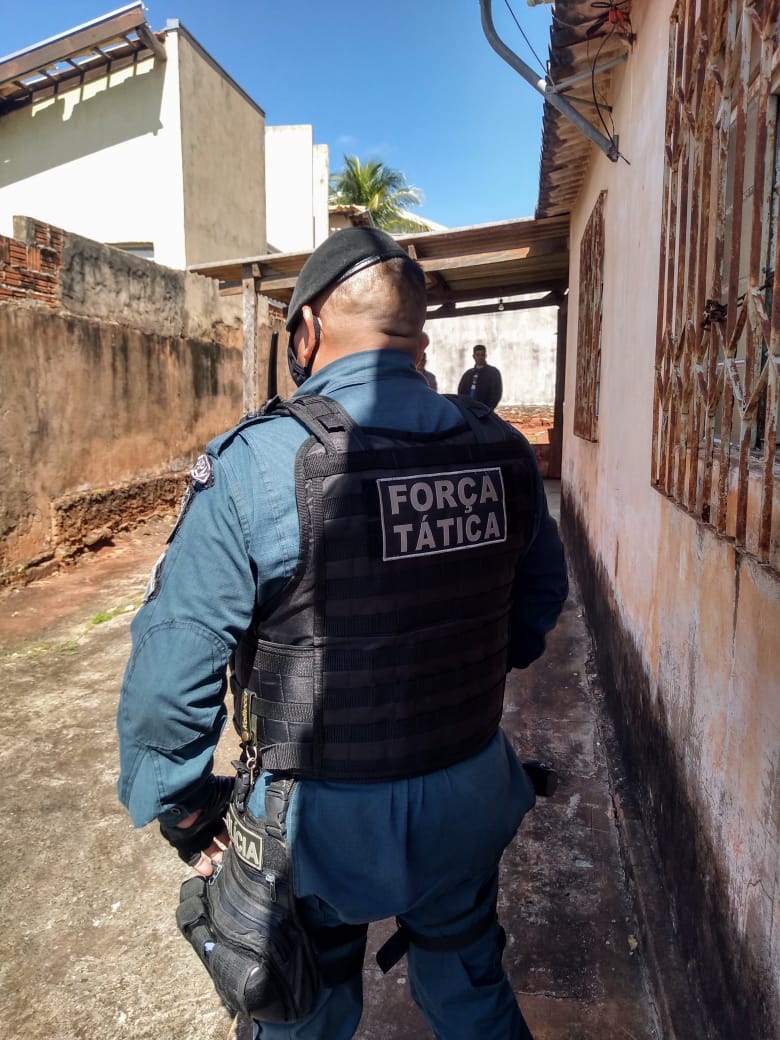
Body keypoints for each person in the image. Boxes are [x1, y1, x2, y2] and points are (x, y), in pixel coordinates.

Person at [116, 227, 568, 1040]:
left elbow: (170, 678)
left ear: (307, 333)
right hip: (468, 792)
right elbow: (537, 606)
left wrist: (185, 812)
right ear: (419, 338)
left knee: (302, 1012)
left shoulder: (258, 462)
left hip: (317, 829)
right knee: (472, 991)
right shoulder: (500, 449)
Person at [457, 343, 503, 410]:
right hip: (469, 409)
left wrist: (489, 408)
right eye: (478, 355)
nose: (480, 357)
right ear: (473, 356)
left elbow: (497, 392)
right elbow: (461, 391)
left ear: (485, 356)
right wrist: (464, 406)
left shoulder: (493, 372)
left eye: (482, 355)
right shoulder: (468, 374)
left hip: (485, 409)